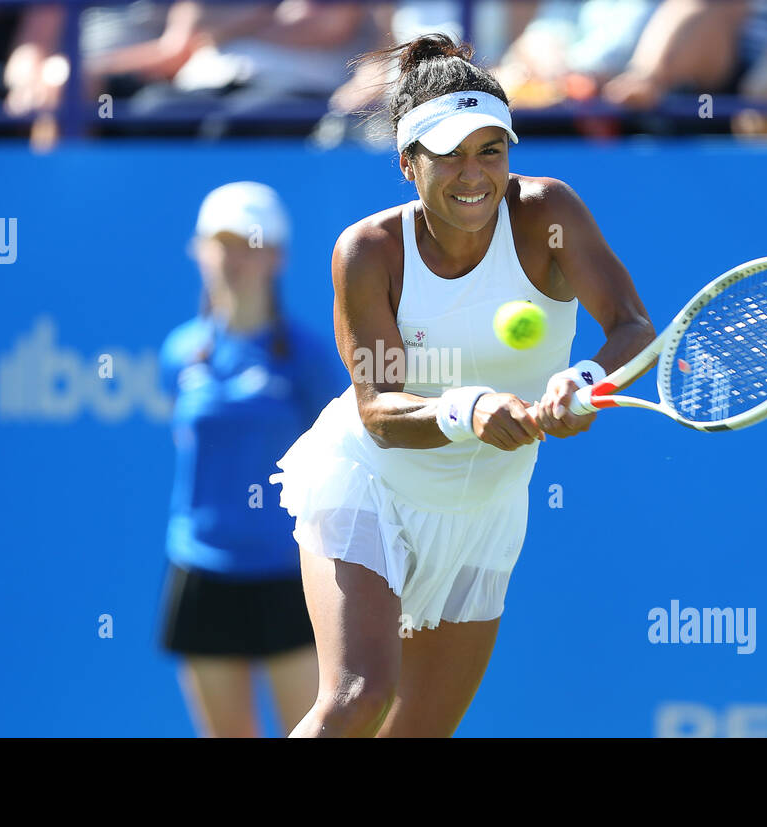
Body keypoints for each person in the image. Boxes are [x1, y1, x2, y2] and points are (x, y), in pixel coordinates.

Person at [270, 33, 655, 737]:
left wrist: (586, 380)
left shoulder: (549, 214)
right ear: (408, 163)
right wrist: (470, 408)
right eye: (448, 154)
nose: (473, 174)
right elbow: (378, 411)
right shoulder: (369, 251)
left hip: (486, 508)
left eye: (490, 150)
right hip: (370, 484)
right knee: (358, 696)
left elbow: (632, 326)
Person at [157, 181, 340, 737]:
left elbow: (336, 458)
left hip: (289, 575)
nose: (232, 259)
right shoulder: (179, 353)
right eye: (221, 244)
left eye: (248, 244)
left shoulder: (307, 358)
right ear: (199, 251)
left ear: (276, 256)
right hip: (201, 571)